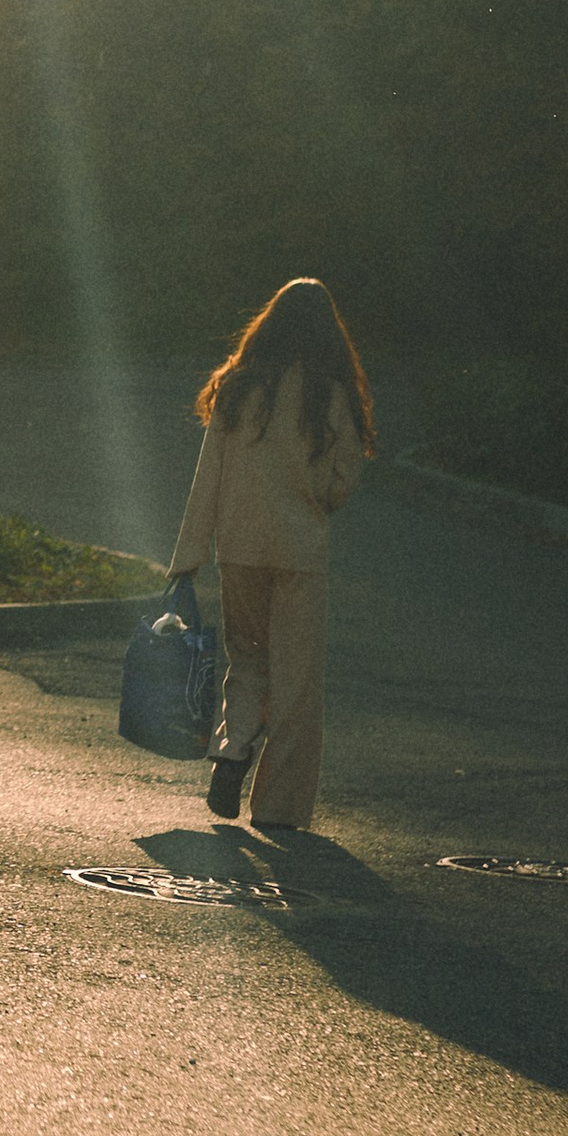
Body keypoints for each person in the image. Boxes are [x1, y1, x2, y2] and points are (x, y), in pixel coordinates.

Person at [167, 276, 374, 832]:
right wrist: (318, 500)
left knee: (248, 657)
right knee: (296, 678)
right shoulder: (331, 395)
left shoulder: (236, 387)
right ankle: (279, 807)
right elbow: (345, 472)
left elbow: (207, 475)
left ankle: (233, 748)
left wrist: (189, 553)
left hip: (241, 547)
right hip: (300, 550)